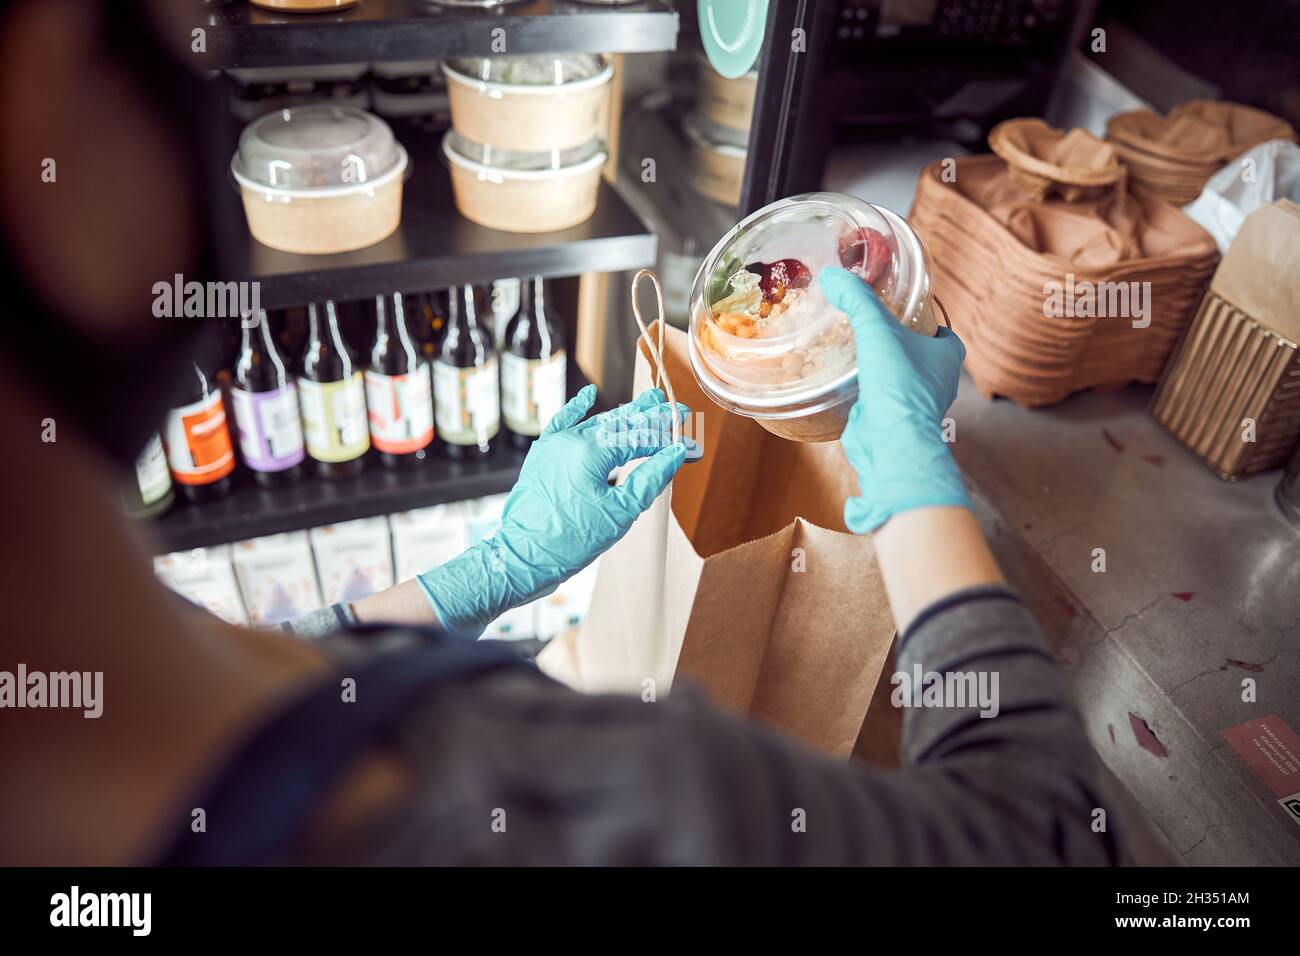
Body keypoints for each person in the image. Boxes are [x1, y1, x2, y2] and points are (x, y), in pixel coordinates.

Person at [0, 0, 1117, 866]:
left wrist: (484, 574)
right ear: (37, 100)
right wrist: (923, 493)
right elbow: (1049, 833)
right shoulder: (578, 800)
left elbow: (268, 668)